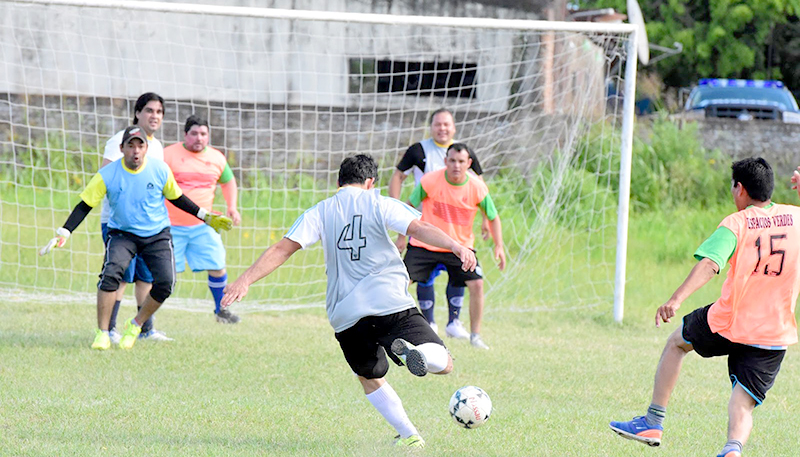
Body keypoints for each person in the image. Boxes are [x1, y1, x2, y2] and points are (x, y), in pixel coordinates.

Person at [221, 154, 477, 448]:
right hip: (389, 303)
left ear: (339, 182)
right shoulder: (380, 202)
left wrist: (245, 280)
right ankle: (414, 355)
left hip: (346, 314)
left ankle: (410, 436)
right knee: (444, 363)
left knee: (369, 376)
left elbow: (283, 248)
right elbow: (419, 229)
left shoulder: (321, 211)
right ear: (370, 183)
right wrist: (456, 245)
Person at [609, 158, 800, 457]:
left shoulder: (737, 223)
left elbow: (711, 264)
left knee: (676, 344)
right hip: (774, 334)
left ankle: (653, 422)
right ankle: (732, 449)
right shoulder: (795, 218)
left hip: (728, 322)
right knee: (743, 401)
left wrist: (676, 299)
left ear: (740, 189)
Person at [40, 126, 232, 350]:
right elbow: (85, 205)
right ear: (121, 149)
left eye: (140, 145)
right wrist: (65, 231)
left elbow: (178, 198)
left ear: (146, 149)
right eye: (130, 145)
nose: (136, 151)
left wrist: (205, 216)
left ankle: (136, 325)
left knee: (166, 283)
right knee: (111, 276)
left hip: (157, 235)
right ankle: (102, 333)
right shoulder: (108, 174)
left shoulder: (159, 169)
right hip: (122, 234)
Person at [388, 108, 488, 339]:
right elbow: (398, 176)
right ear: (431, 127)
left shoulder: (463, 151)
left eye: (446, 124)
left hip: (456, 230)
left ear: (453, 127)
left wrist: (484, 218)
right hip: (423, 227)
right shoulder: (419, 150)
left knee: (462, 273)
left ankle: (455, 322)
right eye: (437, 124)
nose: (442, 128)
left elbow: (481, 187)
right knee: (422, 275)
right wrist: (395, 212)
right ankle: (428, 322)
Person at [397, 143, 505, 350]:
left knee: (478, 284)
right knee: (399, 282)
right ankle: (395, 328)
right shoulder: (430, 181)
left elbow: (493, 217)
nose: (456, 165)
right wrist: (402, 238)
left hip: (460, 247)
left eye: (461, 161)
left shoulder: (477, 187)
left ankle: (475, 336)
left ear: (469, 164)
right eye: (452, 161)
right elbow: (407, 208)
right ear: (445, 161)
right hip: (424, 245)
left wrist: (498, 245)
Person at [100, 92, 169, 342]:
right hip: (119, 223)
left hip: (149, 225)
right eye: (149, 110)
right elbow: (106, 177)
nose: (155, 116)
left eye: (159, 112)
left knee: (146, 276)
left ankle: (145, 329)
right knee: (119, 276)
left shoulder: (157, 147)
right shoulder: (118, 141)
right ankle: (109, 330)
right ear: (137, 112)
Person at [163, 115, 242, 323]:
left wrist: (232, 207)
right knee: (164, 273)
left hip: (203, 225)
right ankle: (147, 319)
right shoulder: (168, 155)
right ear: (185, 135)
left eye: (203, 134)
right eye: (194, 133)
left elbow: (228, 182)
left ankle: (221, 311)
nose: (199, 138)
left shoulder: (216, 158)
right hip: (171, 226)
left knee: (217, 265)